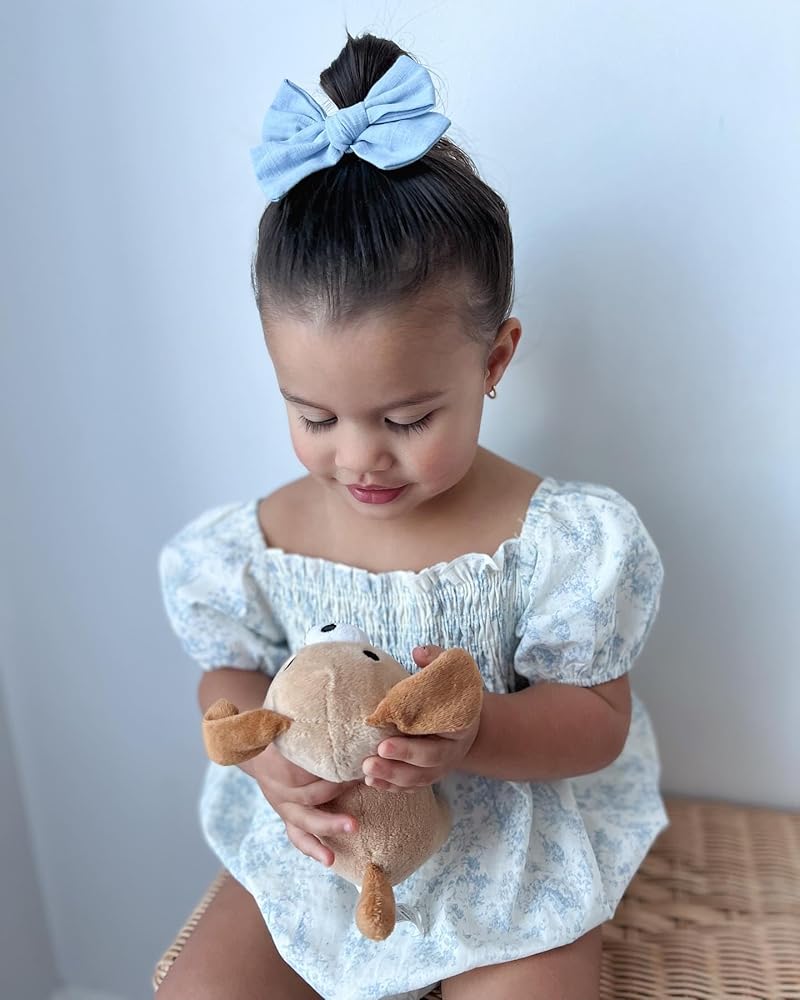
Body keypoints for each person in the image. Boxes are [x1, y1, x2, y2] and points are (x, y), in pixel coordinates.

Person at [157, 30, 667, 1000]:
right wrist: (262, 760)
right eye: (314, 417)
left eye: (405, 420)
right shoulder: (256, 542)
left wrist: (478, 738)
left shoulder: (553, 540)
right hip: (322, 846)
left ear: (494, 360)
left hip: (502, 847)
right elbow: (228, 670)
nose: (357, 458)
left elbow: (597, 720)